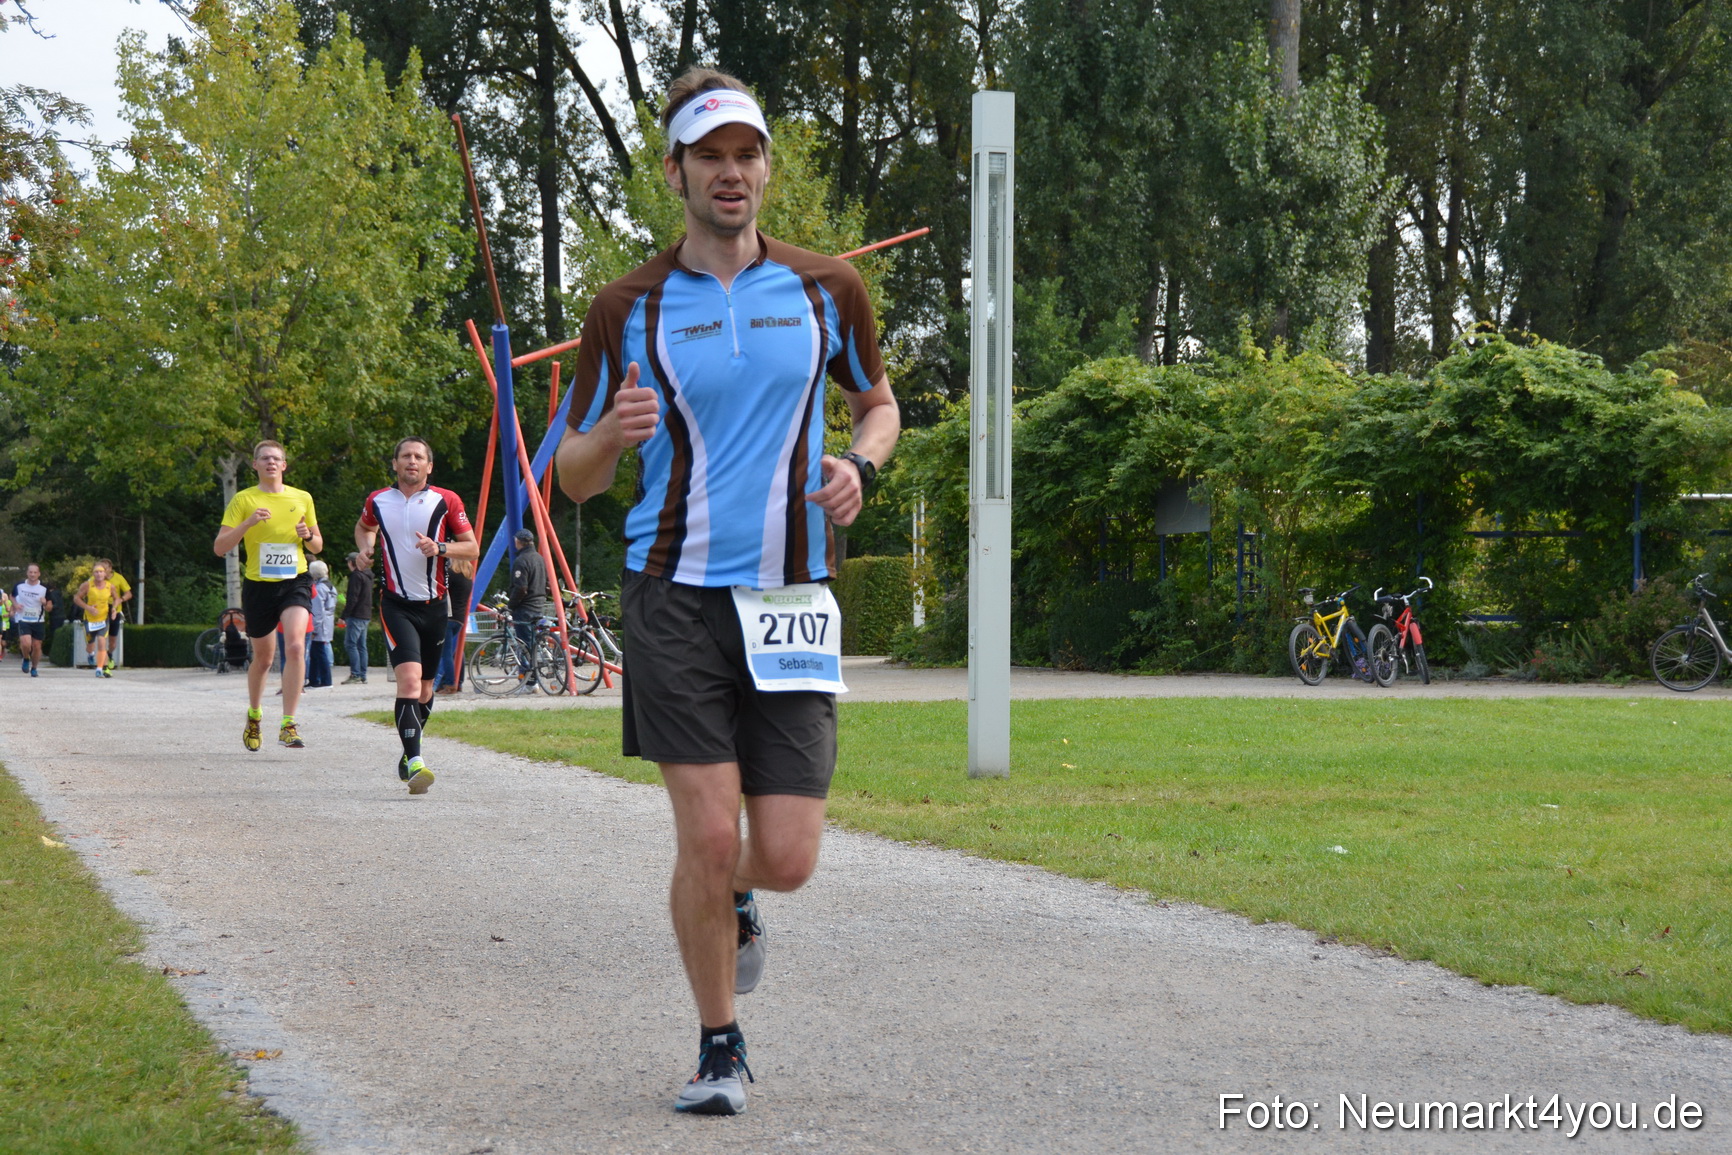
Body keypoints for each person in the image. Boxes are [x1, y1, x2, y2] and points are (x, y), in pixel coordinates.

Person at [555, 67, 899, 1117]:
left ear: (765, 170)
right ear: (675, 173)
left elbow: (879, 406)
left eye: (746, 154)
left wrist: (861, 466)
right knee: (704, 836)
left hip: (790, 596)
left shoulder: (827, 288)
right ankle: (718, 1044)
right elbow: (572, 476)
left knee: (784, 857)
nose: (730, 172)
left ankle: (738, 894)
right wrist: (612, 437)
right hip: (672, 594)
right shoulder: (625, 308)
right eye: (710, 156)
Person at [354, 436, 479, 794]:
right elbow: (364, 528)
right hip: (396, 604)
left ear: (429, 466)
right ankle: (416, 762)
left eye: (418, 457)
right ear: (395, 464)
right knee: (409, 682)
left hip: (435, 606)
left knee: (425, 689)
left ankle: (409, 750)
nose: (412, 461)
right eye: (405, 456)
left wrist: (439, 547)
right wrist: (365, 548)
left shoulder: (446, 500)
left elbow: (471, 547)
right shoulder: (378, 500)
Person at [213, 440, 324, 751]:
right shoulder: (243, 499)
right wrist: (248, 522)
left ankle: (289, 724)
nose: (271, 462)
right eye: (264, 458)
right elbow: (220, 547)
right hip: (259, 585)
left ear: (284, 465)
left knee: (296, 645)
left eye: (276, 458)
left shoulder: (302, 497)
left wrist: (308, 535)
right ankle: (254, 715)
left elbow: (317, 545)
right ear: (255, 465)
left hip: (295, 581)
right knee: (263, 659)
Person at [508, 527, 551, 684]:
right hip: (539, 605)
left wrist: (510, 606)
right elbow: (547, 584)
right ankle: (535, 678)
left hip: (525, 607)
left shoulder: (521, 561)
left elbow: (521, 588)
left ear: (519, 542)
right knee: (532, 643)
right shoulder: (540, 559)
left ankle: (530, 681)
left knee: (524, 645)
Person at [433, 557, 474, 695]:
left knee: (445, 653)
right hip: (459, 619)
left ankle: (450, 684)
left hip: (448, 617)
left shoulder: (450, 575)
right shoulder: (468, 578)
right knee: (456, 651)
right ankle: (458, 681)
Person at [74, 561, 119, 678]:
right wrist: (88, 607)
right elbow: (76, 598)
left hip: (103, 618)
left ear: (105, 573)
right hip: (89, 619)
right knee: (90, 646)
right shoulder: (87, 585)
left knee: (102, 642)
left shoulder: (110, 586)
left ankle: (99, 668)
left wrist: (114, 609)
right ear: (93, 574)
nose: (99, 574)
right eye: (96, 572)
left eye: (101, 572)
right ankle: (91, 654)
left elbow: (116, 599)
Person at [341, 551, 374, 684]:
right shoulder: (368, 575)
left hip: (356, 615)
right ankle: (362, 674)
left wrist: (343, 616)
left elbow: (352, 598)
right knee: (361, 646)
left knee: (351, 644)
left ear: (351, 563)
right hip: (366, 614)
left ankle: (355, 674)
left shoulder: (356, 576)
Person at [12, 564, 51, 676]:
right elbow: (12, 596)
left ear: (39, 574)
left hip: (38, 620)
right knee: (26, 643)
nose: (32, 574)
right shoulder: (19, 585)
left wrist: (45, 603)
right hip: (23, 618)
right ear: (27, 573)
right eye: (30, 572)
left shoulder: (44, 587)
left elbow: (49, 607)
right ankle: (26, 658)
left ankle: (34, 668)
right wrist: (16, 605)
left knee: (37, 646)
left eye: (35, 572)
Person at [98, 558, 132, 673]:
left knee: (112, 643)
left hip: (115, 611)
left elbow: (128, 593)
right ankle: (104, 666)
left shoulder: (118, 578)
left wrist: (121, 599)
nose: (102, 571)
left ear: (110, 569)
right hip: (101, 612)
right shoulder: (96, 578)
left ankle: (110, 654)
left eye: (104, 568)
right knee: (102, 638)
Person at [306, 560, 336, 688]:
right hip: (327, 623)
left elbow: (317, 611)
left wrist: (314, 629)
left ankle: (324, 680)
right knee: (317, 652)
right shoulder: (330, 586)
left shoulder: (319, 588)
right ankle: (315, 680)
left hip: (320, 625)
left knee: (319, 653)